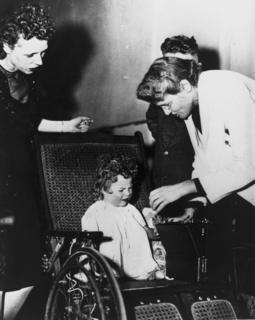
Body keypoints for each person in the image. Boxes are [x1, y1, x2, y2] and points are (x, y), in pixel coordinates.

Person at [0, 3, 92, 319]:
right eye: (30, 55)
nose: (39, 62)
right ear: (6, 45)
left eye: (43, 54)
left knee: (25, 272)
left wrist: (66, 126)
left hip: (19, 182)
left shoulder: (27, 79)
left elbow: (29, 121)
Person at [137, 56, 255, 279]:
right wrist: (194, 205)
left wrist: (184, 187)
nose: (167, 113)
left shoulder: (228, 89)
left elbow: (250, 164)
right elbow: (205, 160)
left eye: (167, 104)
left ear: (184, 86)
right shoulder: (192, 106)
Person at [81, 153, 165, 280]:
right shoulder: (96, 211)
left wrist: (152, 231)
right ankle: (105, 275)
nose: (127, 193)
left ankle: (147, 271)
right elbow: (87, 238)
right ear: (103, 189)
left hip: (134, 260)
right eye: (121, 190)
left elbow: (144, 228)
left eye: (130, 188)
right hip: (111, 261)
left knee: (143, 248)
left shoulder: (130, 209)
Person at [146, 35, 200, 223]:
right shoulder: (160, 96)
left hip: (192, 186)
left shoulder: (203, 101)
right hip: (162, 180)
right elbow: (153, 121)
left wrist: (194, 202)